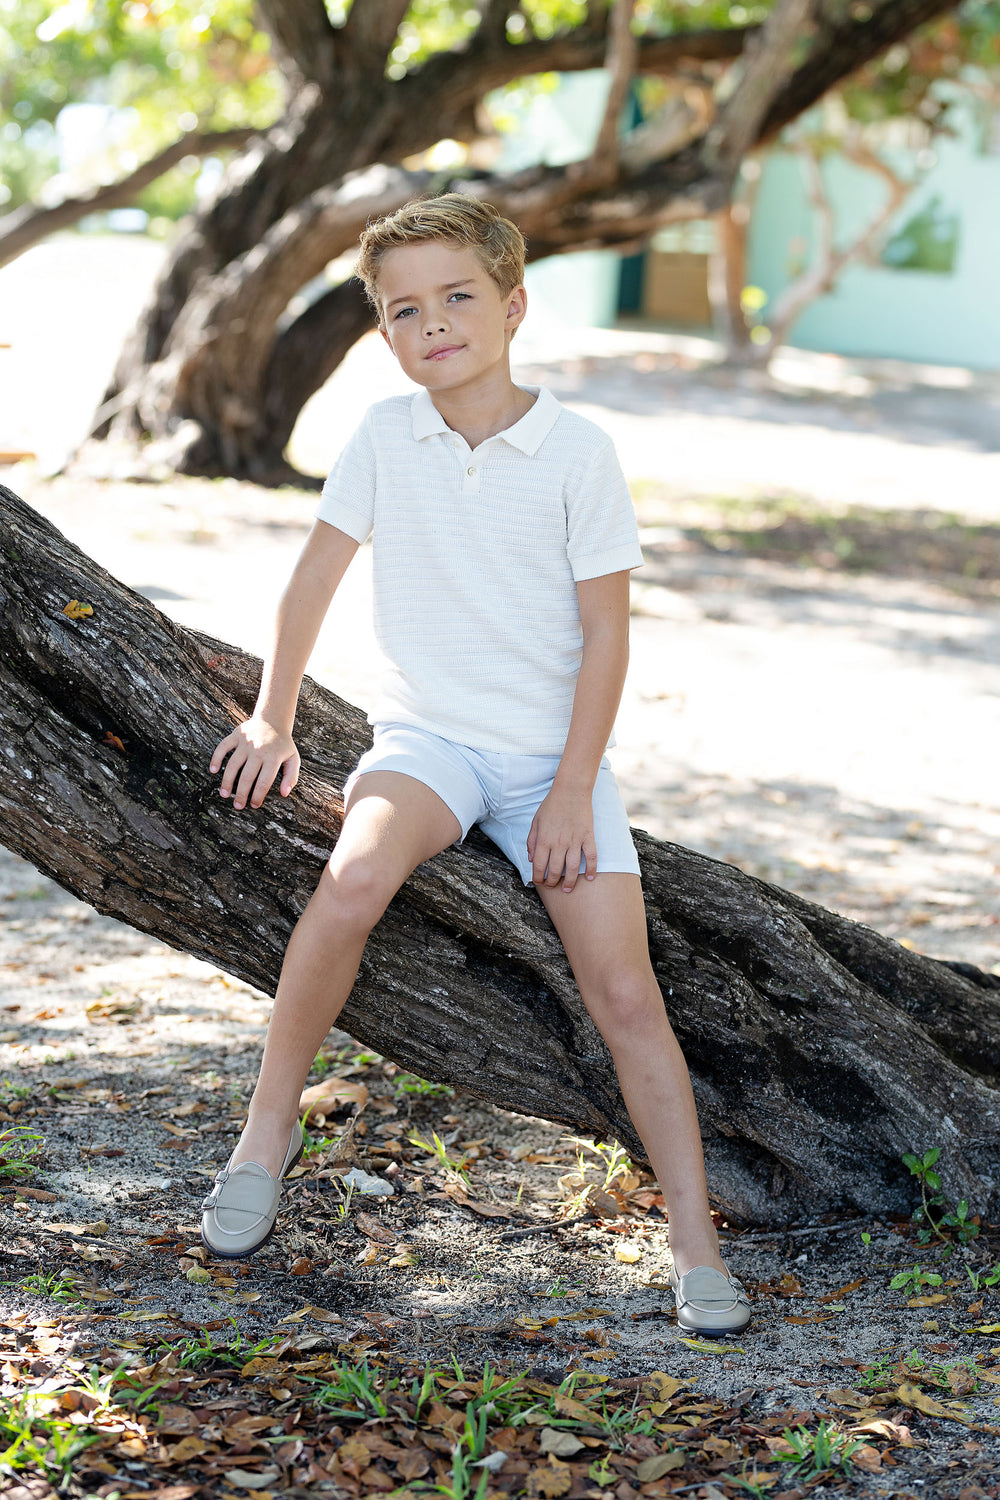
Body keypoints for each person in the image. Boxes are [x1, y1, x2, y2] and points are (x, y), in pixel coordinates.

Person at [200, 194, 750, 1336]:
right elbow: (309, 584)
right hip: (428, 745)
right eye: (405, 310)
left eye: (458, 298)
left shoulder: (577, 454)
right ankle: (265, 1132)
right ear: (385, 333)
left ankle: (694, 1241)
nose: (433, 324)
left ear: (512, 307)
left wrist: (565, 791)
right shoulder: (380, 440)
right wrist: (271, 717)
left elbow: (608, 636)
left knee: (623, 992)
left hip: (556, 758)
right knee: (350, 881)